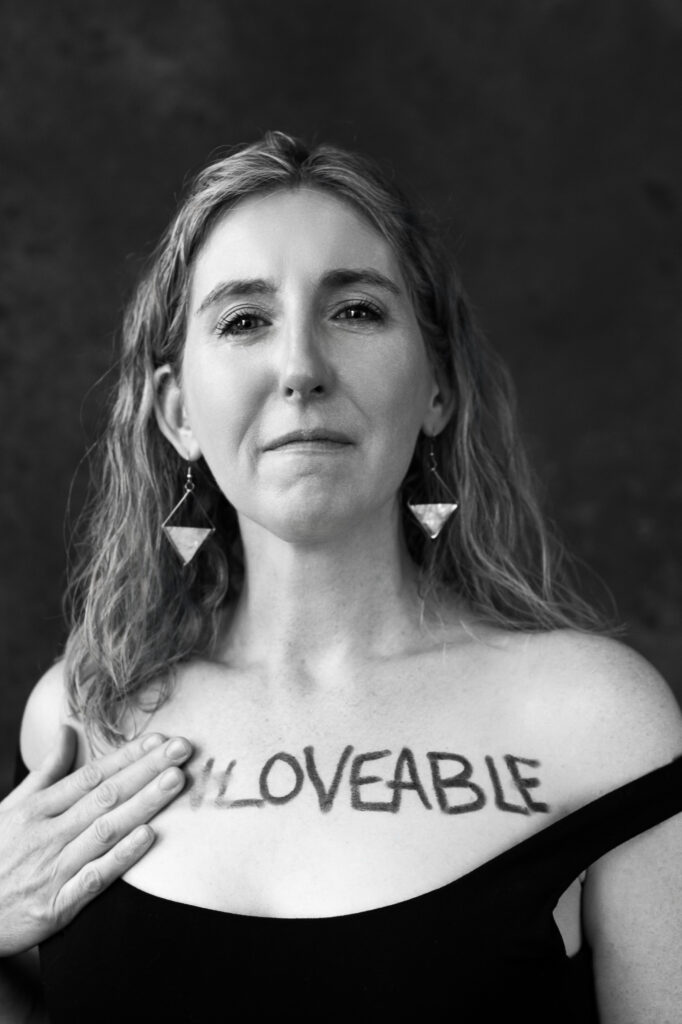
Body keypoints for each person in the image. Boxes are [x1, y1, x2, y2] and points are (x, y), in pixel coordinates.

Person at [4, 131, 682, 1023]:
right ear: (177, 414)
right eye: (245, 320)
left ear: (437, 384)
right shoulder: (86, 713)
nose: (300, 370)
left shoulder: (599, 723)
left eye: (356, 310)